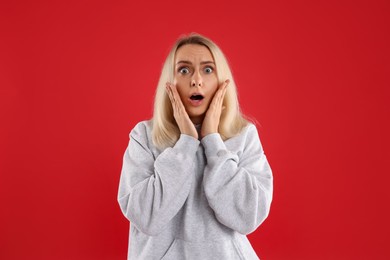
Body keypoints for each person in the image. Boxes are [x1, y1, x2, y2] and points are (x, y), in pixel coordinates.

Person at [117, 33, 273, 260]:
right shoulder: (144, 136)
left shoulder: (244, 135)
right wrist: (186, 144)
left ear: (222, 81)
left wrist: (212, 141)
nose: (196, 80)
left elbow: (249, 216)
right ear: (169, 82)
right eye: (184, 70)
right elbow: (146, 217)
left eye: (208, 70)